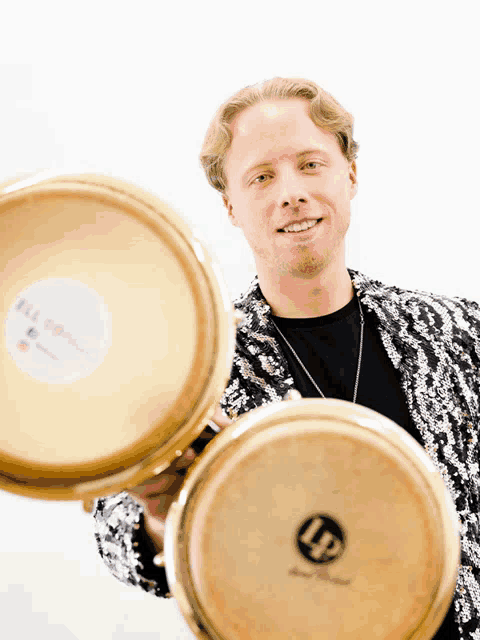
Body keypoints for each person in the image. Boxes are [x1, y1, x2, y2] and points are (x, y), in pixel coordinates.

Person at [93, 77, 480, 639]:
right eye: (262, 177)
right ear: (231, 205)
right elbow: (115, 534)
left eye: (310, 164)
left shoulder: (457, 332)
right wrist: (160, 520)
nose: (291, 193)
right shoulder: (194, 362)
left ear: (351, 173)